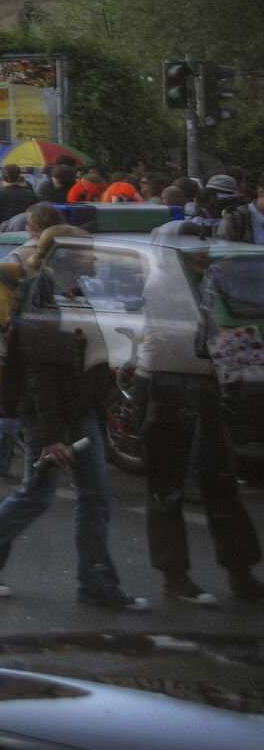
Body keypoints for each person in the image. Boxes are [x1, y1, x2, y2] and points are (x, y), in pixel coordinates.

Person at [0, 230, 149, 609]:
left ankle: (95, 583)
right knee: (37, 493)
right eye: (88, 254)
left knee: (95, 497)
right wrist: (50, 437)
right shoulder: (40, 298)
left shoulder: (74, 293)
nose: (95, 261)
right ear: (64, 258)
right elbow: (40, 375)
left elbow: (87, 357)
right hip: (49, 415)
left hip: (79, 411)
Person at [134, 236, 264, 603]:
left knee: (221, 480)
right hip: (169, 387)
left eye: (203, 249)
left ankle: (240, 572)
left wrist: (241, 364)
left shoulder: (210, 279)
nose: (201, 256)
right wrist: (238, 354)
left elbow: (224, 328)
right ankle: (174, 575)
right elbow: (186, 342)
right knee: (167, 484)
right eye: (191, 251)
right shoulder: (163, 284)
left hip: (206, 388)